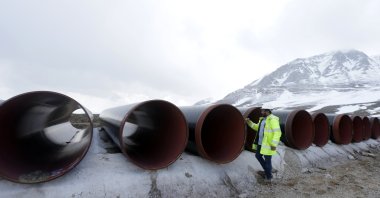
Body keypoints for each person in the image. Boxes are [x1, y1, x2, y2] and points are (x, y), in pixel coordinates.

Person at [245, 104, 281, 183]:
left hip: (268, 145)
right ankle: (268, 171)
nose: (261, 112)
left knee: (268, 160)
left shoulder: (273, 120)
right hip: (260, 143)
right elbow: (256, 127)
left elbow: (277, 133)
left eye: (263, 110)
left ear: (267, 111)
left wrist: (274, 144)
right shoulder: (262, 120)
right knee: (258, 156)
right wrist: (249, 122)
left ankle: (269, 177)